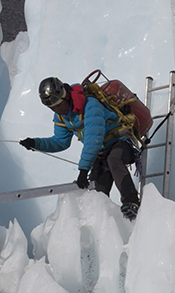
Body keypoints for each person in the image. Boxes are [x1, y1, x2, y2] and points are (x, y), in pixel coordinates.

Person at [20, 77, 140, 220]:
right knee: (97, 190)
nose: (57, 110)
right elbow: (60, 142)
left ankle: (131, 201)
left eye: (58, 105)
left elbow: (93, 140)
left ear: (65, 96)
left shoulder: (91, 105)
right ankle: (103, 222)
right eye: (53, 108)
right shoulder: (62, 117)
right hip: (101, 153)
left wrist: (83, 170)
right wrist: (35, 144)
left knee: (114, 159)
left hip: (121, 142)